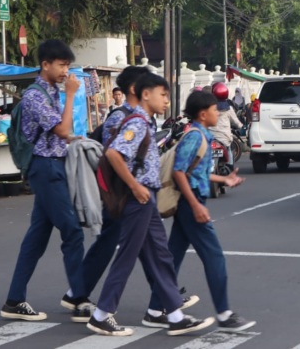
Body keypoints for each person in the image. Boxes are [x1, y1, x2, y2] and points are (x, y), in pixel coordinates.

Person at [87, 73, 213, 337]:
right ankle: (101, 314)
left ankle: (175, 315)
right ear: (146, 95)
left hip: (146, 199)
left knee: (161, 255)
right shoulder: (138, 123)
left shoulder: (146, 122)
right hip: (138, 199)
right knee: (128, 256)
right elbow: (113, 153)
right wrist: (135, 186)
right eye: (163, 95)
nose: (167, 101)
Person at [143, 90, 255, 332]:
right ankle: (224, 314)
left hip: (190, 201)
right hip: (190, 203)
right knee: (214, 257)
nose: (219, 112)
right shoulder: (195, 136)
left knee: (173, 257)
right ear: (203, 114)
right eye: (215, 110)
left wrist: (224, 180)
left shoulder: (200, 134)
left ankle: (154, 309)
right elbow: (179, 172)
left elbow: (195, 170)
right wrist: (195, 206)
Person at [0, 40, 86, 321]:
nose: (65, 71)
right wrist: (71, 95)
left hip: (53, 165)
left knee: (36, 239)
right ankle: (79, 297)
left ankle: (14, 300)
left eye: (68, 65)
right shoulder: (35, 96)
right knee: (72, 230)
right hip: (46, 168)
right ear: (45, 65)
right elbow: (62, 130)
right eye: (61, 65)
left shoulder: (50, 92)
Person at [209, 82, 243, 168]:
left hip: (211, 137)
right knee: (229, 150)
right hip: (225, 138)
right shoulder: (229, 108)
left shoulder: (209, 107)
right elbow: (236, 122)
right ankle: (230, 167)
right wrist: (241, 126)